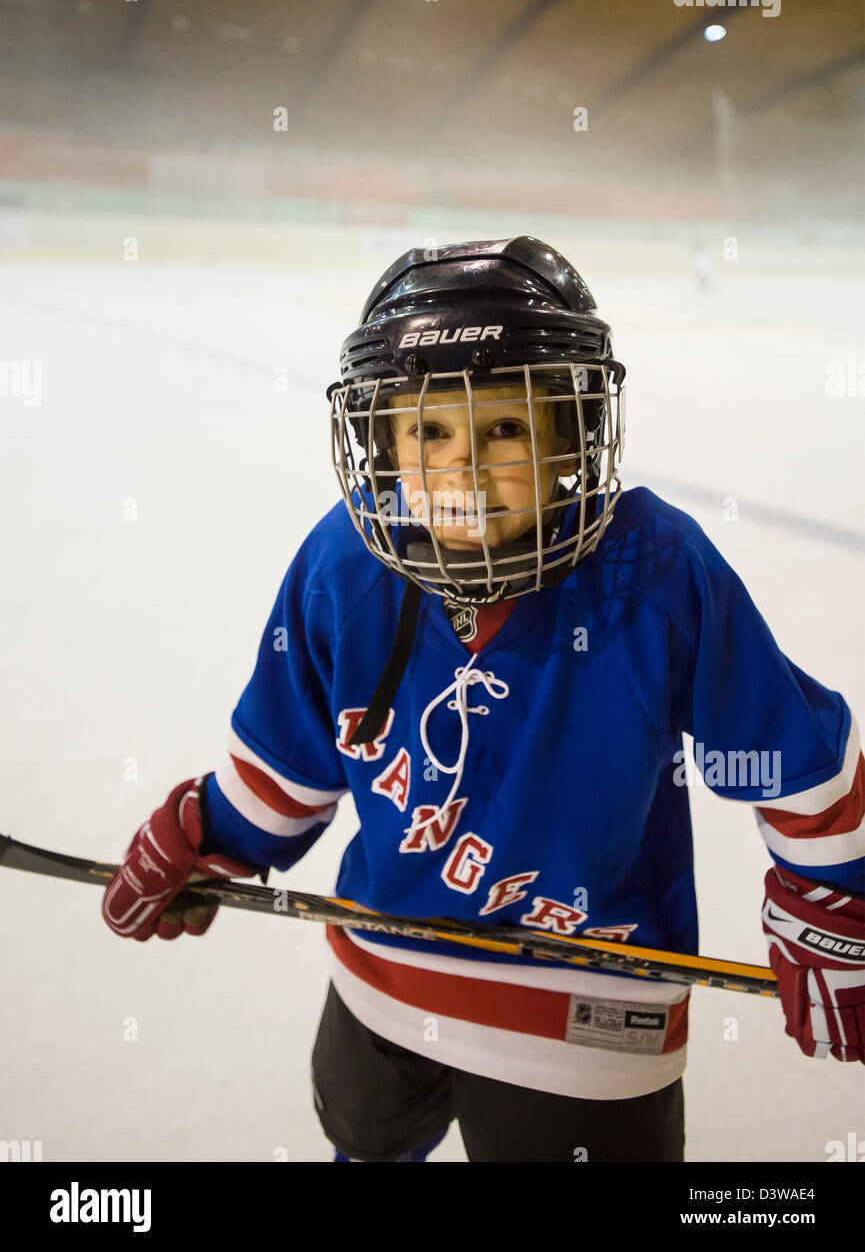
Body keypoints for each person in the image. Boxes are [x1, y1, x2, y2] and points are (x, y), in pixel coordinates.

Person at [102, 237, 864, 1163]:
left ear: (573, 438)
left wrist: (835, 896)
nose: (461, 471)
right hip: (379, 981)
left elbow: (785, 756)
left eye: (504, 429)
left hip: (583, 1015)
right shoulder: (343, 562)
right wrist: (211, 835)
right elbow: (290, 760)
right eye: (429, 433)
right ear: (378, 443)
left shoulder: (653, 568)